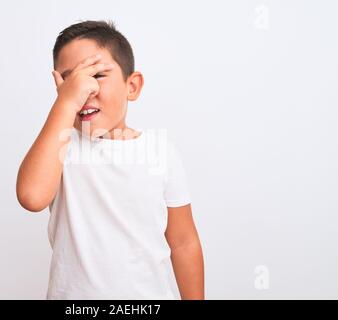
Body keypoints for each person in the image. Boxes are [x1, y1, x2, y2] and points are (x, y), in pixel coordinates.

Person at [16, 20, 204, 300]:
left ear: (132, 86)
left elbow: (183, 242)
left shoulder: (160, 151)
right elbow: (31, 196)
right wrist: (65, 105)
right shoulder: (61, 146)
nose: (85, 89)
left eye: (98, 75)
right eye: (72, 80)